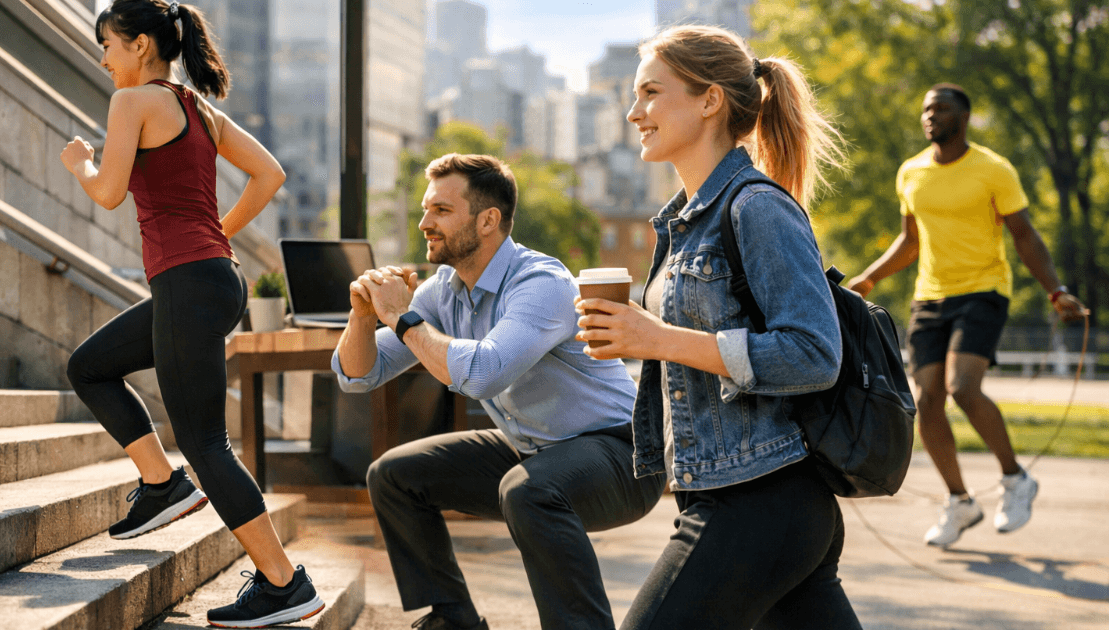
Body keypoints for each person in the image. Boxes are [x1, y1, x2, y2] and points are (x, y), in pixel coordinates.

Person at [575, 25, 861, 629]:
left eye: (651, 93)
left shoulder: (756, 207)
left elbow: (814, 352)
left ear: (709, 101)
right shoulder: (684, 222)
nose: (634, 113)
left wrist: (655, 338)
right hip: (738, 497)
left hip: (760, 498)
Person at [60, 1, 324, 626]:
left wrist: (81, 164)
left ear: (142, 46)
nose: (103, 58)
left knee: (207, 443)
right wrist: (219, 237)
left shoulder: (133, 103)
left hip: (187, 282)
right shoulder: (198, 109)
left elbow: (108, 191)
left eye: (109, 45)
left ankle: (284, 583)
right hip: (213, 280)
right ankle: (161, 484)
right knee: (91, 366)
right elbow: (271, 173)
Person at [332, 153, 665, 630]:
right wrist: (363, 317)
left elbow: (486, 373)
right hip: (532, 449)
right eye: (426, 210)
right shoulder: (443, 289)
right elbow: (359, 375)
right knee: (393, 475)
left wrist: (404, 320)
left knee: (529, 493)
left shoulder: (541, 283)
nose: (425, 223)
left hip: (622, 455)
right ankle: (454, 620)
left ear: (488, 220)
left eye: (441, 211)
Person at [846, 84, 1087, 547]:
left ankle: (1016, 480)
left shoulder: (993, 169)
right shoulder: (911, 172)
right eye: (926, 109)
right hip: (930, 298)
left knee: (962, 388)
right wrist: (869, 278)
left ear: (965, 117)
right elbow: (910, 241)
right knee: (928, 399)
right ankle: (960, 501)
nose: (931, 116)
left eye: (942, 108)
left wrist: (1056, 291)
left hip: (984, 291)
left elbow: (1024, 234)